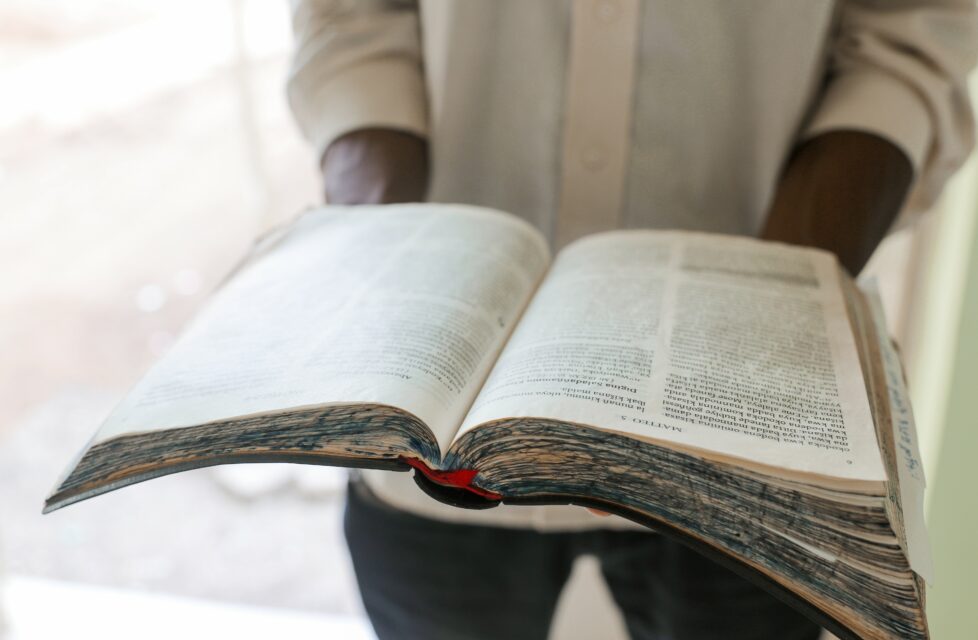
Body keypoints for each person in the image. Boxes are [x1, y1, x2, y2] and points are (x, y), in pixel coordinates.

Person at [286, 2, 977, 639]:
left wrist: (771, 304)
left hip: (736, 455)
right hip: (435, 438)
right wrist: (382, 238)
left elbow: (909, 34)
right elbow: (352, 17)